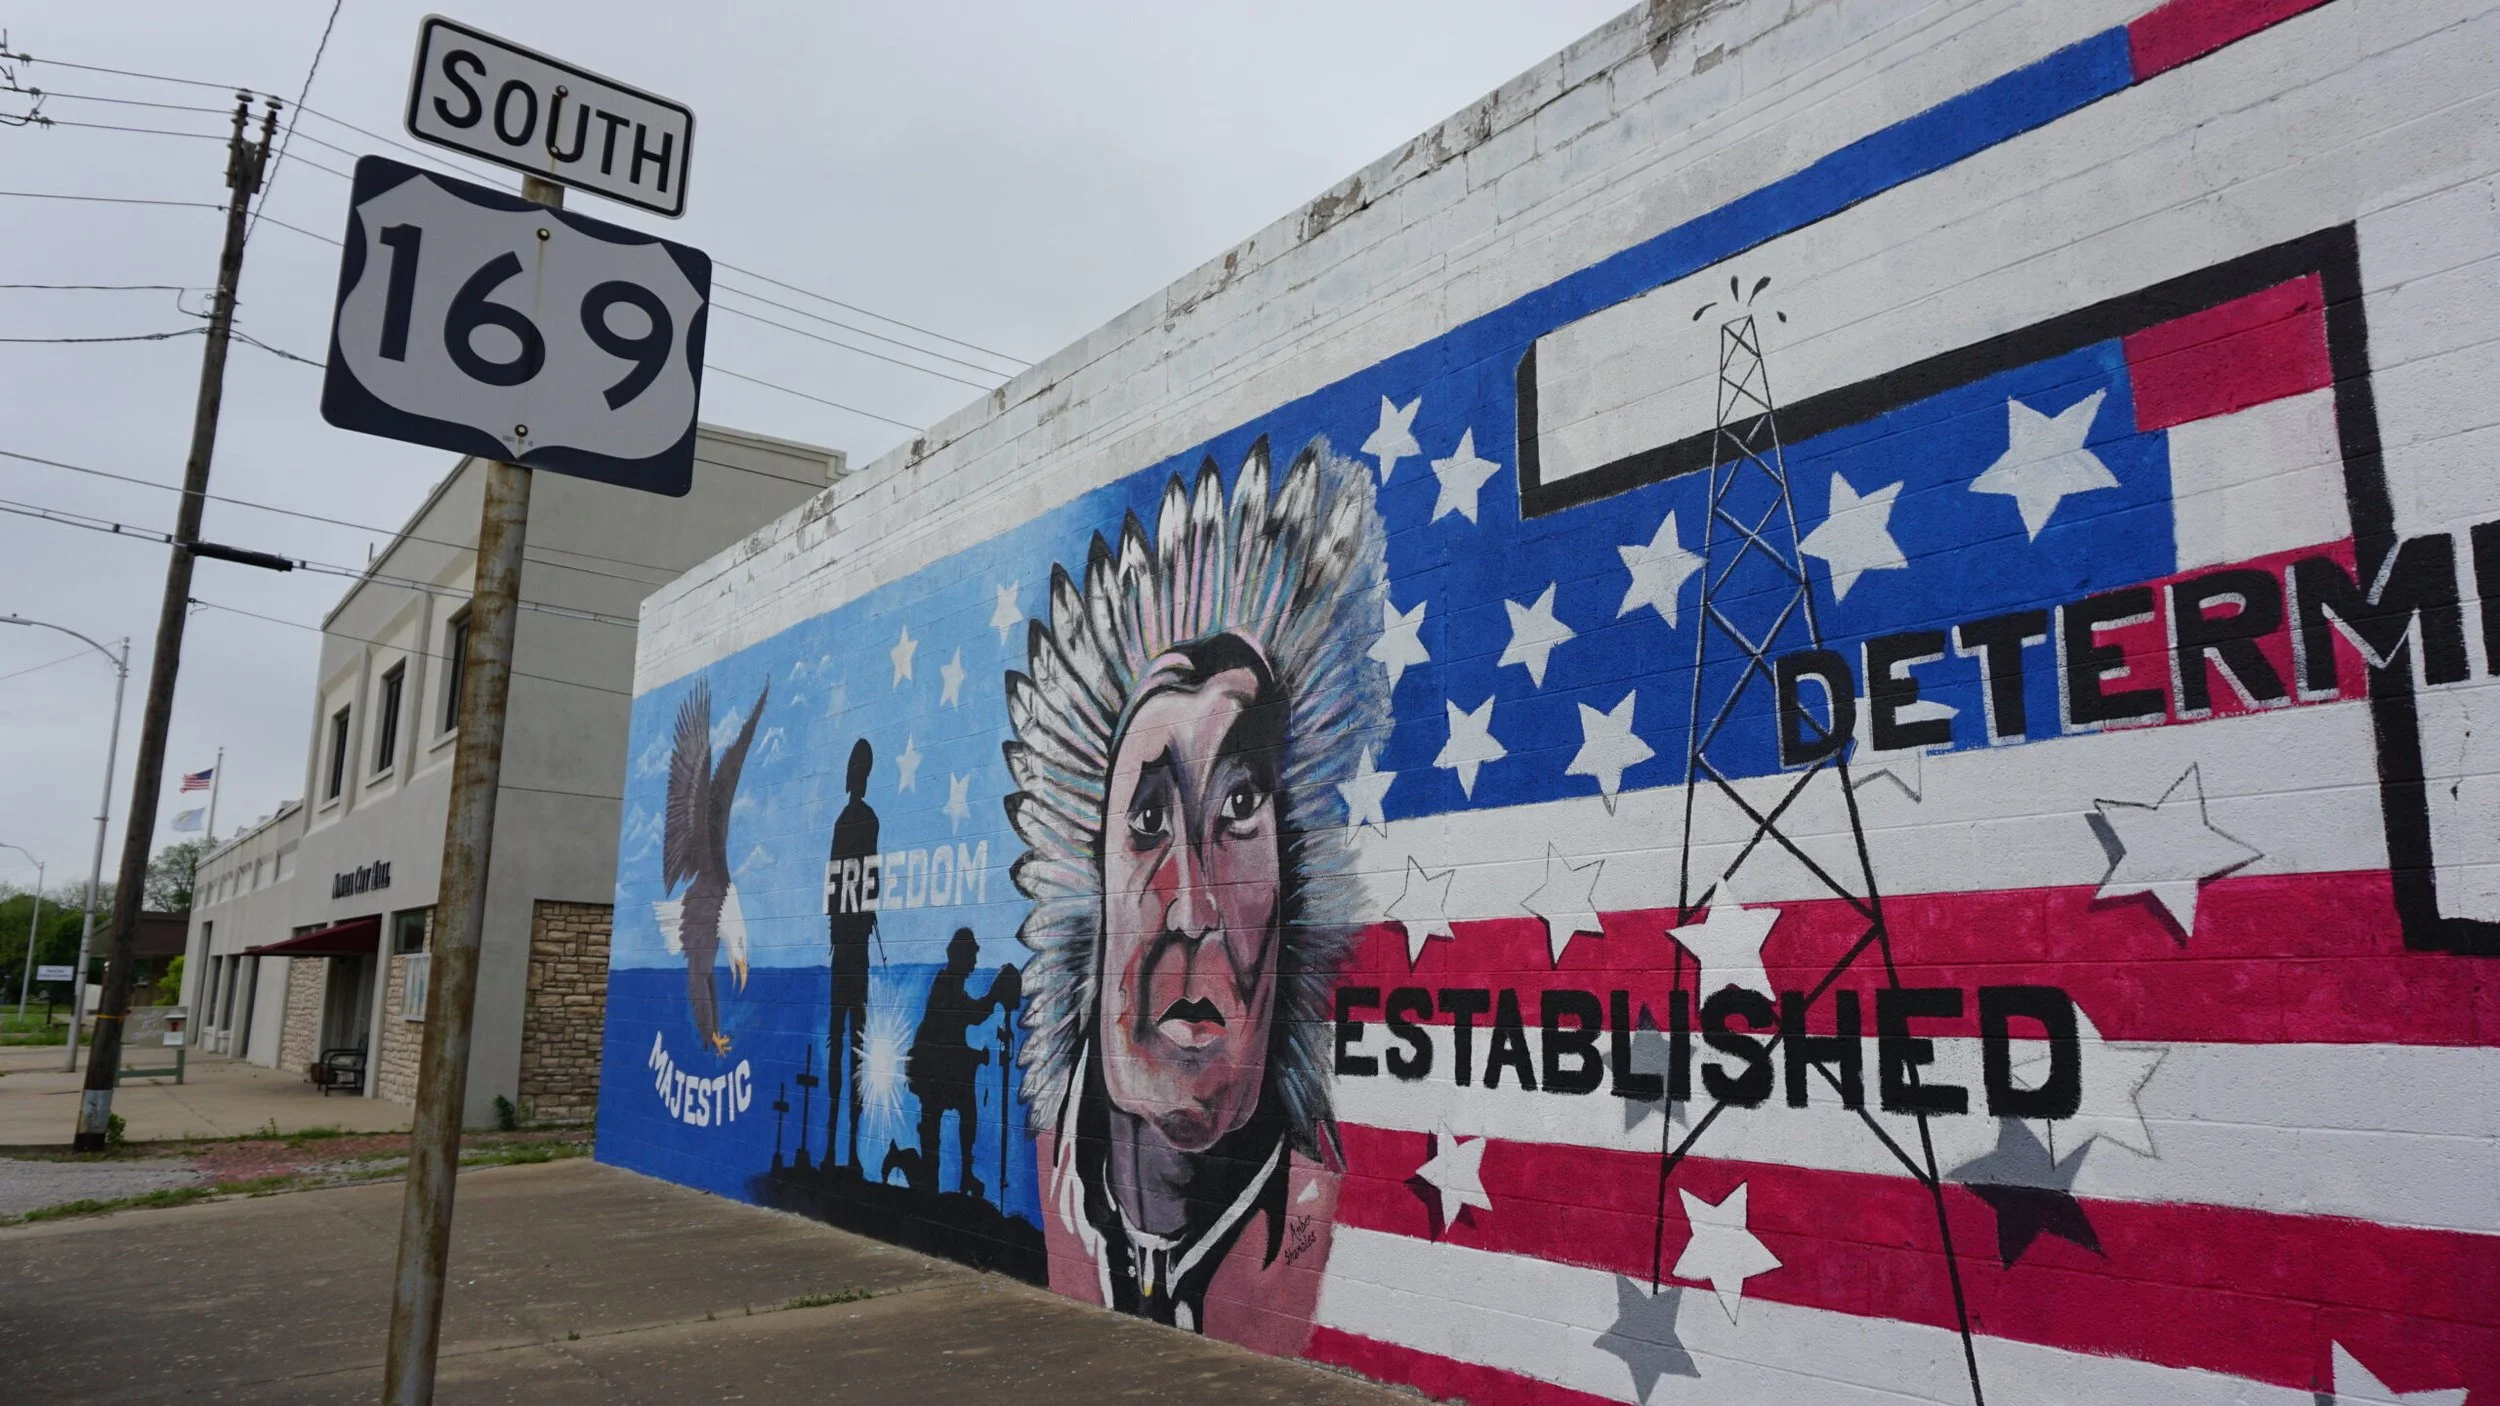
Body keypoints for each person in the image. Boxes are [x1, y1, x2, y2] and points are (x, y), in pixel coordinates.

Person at [1002, 438, 1389, 1347]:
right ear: (1086, 885)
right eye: (1145, 824)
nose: (1191, 906)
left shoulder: (1318, 1231)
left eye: (1241, 808)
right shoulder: (1043, 1194)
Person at [882, 927, 1021, 1198]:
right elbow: (965, 1015)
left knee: (965, 1113)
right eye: (971, 955)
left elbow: (965, 1021)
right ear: (958, 955)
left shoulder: (953, 984)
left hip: (941, 1068)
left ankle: (961, 1174)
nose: (974, 961)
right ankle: (908, 1161)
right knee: (938, 1129)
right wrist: (995, 994)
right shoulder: (945, 983)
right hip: (931, 1070)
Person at [824, 738, 881, 1170]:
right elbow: (853, 882)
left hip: (850, 946)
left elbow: (849, 884)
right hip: (850, 947)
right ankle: (839, 1149)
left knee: (848, 1041)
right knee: (847, 1041)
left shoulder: (854, 819)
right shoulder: (855, 819)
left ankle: (847, 1149)